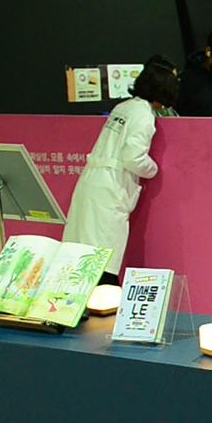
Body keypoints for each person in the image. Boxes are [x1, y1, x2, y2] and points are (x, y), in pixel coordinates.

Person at [63, 57, 180, 286]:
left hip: (92, 182)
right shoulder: (144, 116)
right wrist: (154, 170)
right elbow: (133, 158)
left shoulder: (123, 107)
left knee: (82, 253)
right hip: (110, 189)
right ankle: (106, 302)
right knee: (103, 259)